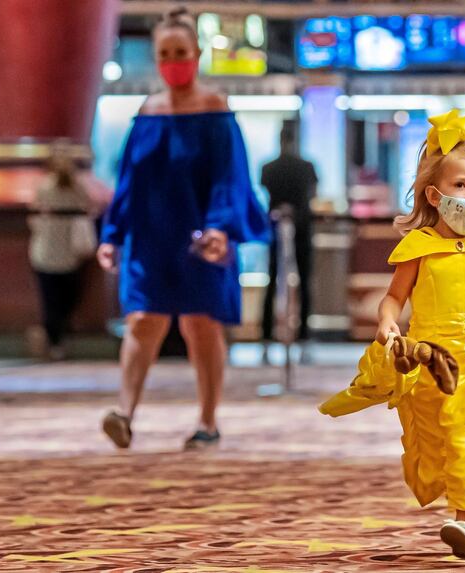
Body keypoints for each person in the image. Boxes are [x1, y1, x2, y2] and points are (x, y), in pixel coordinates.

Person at [319, 110, 465, 559]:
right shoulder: (419, 247)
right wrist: (387, 322)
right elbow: (394, 297)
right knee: (439, 438)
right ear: (434, 193)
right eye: (461, 186)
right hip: (431, 353)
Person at [97, 6, 269, 450]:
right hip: (150, 236)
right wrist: (112, 234)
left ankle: (208, 421)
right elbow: (128, 179)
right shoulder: (147, 112)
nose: (173, 60)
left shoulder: (215, 111)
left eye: (181, 52)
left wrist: (221, 228)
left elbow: (230, 178)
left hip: (202, 238)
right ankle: (124, 412)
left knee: (201, 325)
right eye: (165, 53)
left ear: (196, 54)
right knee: (141, 320)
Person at [28, 150, 96, 360]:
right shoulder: (78, 188)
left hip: (45, 253)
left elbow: (33, 219)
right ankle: (60, 340)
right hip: (70, 254)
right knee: (67, 300)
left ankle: (55, 343)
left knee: (50, 302)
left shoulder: (44, 187)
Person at [261, 124, 318, 342]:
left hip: (275, 226)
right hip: (302, 226)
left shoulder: (268, 168)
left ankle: (266, 331)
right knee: (304, 280)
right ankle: (303, 332)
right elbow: (313, 194)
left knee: (272, 278)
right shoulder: (306, 167)